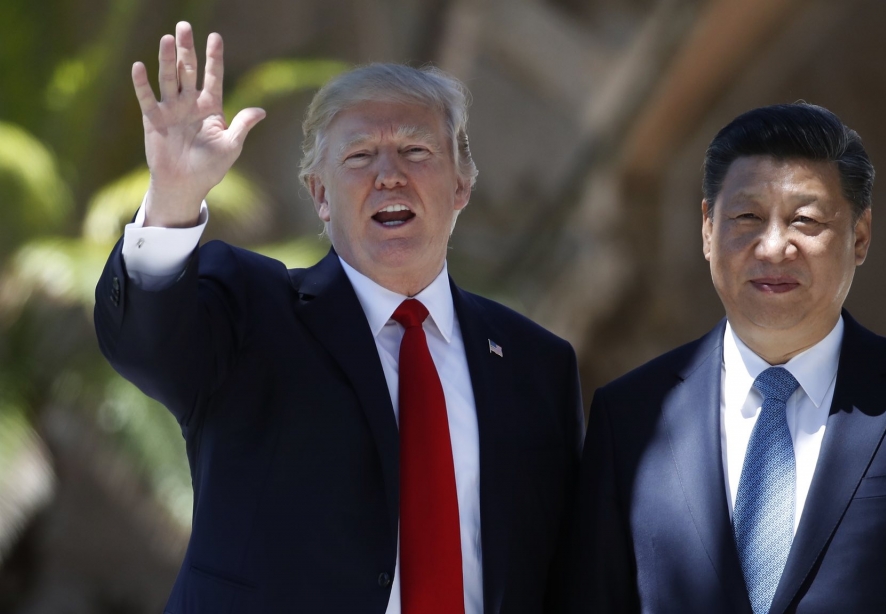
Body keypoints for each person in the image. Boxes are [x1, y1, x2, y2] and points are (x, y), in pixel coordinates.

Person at [94, 21, 583, 614]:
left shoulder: (537, 364)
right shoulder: (253, 311)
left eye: (415, 150)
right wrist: (172, 195)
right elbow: (147, 341)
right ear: (320, 195)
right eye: (358, 156)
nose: (389, 174)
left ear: (462, 184)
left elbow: (561, 567)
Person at [565, 103, 886, 613]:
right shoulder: (630, 416)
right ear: (706, 228)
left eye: (806, 220)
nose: (774, 247)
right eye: (747, 217)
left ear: (860, 236)